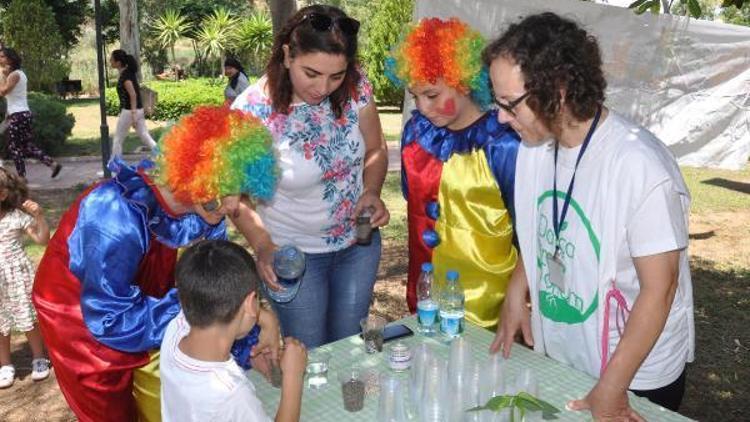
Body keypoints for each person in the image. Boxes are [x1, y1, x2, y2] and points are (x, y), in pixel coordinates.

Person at [484, 12, 694, 418]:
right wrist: (516, 292)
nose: (500, 118)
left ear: (558, 91)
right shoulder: (534, 148)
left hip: (635, 370)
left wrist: (612, 387)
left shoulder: (639, 164)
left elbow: (660, 289)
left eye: (510, 104)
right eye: (497, 102)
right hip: (573, 347)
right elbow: (545, 227)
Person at [32, 106, 282, 422]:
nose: (234, 206)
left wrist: (246, 344)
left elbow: (214, 290)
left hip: (148, 307)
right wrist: (218, 311)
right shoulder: (112, 214)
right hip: (83, 318)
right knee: (112, 412)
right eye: (227, 190)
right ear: (197, 171)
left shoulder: (205, 210)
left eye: (242, 193)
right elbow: (111, 318)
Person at [231, 4, 390, 349]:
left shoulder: (356, 86)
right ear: (287, 55)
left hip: (358, 247)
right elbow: (236, 198)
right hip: (293, 257)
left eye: (336, 75)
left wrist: (372, 190)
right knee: (309, 356)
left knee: (349, 349)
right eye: (312, 73)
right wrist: (262, 246)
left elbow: (376, 149)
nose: (324, 87)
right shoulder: (252, 111)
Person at [386, 17, 520, 329]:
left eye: (432, 95)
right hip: (425, 295)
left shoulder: (503, 144)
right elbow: (413, 200)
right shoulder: (415, 135)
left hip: (487, 305)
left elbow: (525, 230)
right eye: (414, 95)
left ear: (464, 81)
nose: (422, 106)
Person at [161, 240, 307, 422]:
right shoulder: (231, 394)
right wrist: (293, 377)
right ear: (250, 303)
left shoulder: (175, 329)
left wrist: (266, 319)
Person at [0, 168, 51, 388]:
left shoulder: (16, 217)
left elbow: (42, 240)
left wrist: (38, 216)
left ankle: (39, 357)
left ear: (2, 194)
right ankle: (5, 364)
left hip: (17, 276)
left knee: (27, 318)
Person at [0, 48, 62, 178]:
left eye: (2, 57)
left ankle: (22, 179)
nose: (0, 59)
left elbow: (3, 92)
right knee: (26, 146)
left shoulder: (15, 75)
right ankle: (52, 164)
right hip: (21, 114)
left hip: (18, 116)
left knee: (14, 148)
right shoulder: (19, 74)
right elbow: (14, 96)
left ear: (10, 59)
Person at [109, 49, 157, 159]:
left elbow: (133, 95)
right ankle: (163, 159)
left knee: (117, 140)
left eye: (112, 60)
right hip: (137, 110)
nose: (110, 61)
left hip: (129, 111)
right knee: (145, 137)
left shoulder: (125, 77)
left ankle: (115, 170)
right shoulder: (128, 73)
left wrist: (134, 115)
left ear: (118, 63)